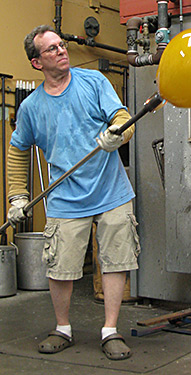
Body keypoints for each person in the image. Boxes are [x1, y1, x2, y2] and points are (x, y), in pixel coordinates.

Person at [7, 25, 140, 360]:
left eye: (61, 44)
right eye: (52, 49)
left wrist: (117, 133)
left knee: (114, 261)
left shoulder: (94, 82)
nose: (61, 50)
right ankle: (62, 328)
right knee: (60, 266)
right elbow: (18, 150)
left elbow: (124, 117)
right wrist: (17, 196)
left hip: (111, 190)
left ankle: (110, 330)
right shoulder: (32, 108)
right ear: (37, 63)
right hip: (65, 197)